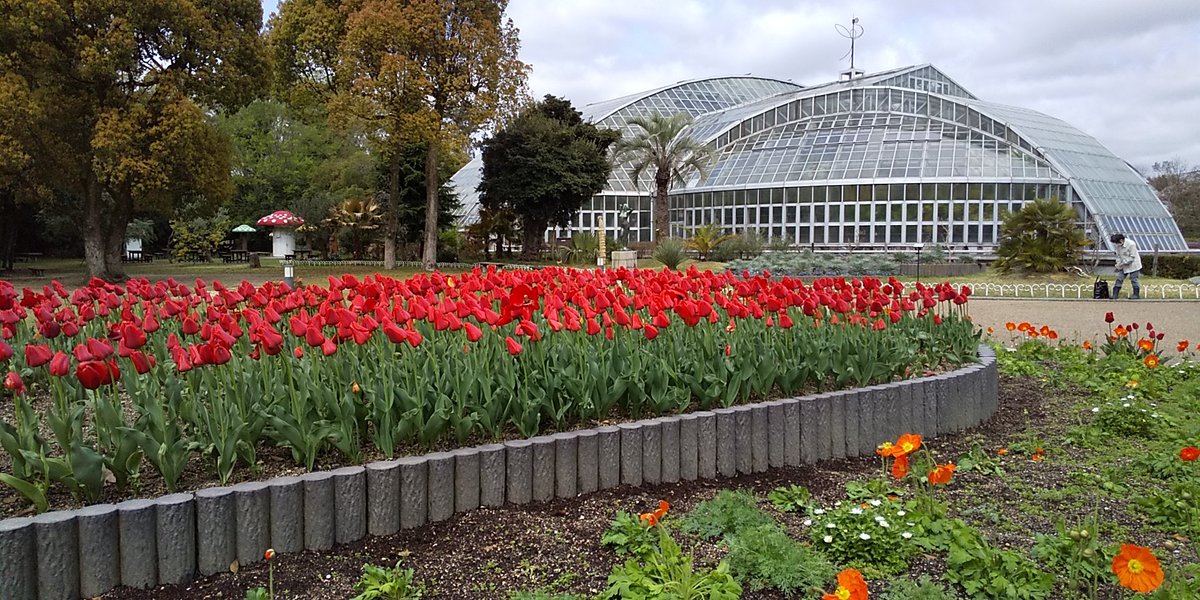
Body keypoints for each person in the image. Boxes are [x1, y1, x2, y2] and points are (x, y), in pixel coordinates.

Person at [1110, 233, 1142, 299]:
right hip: (1123, 265)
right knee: (1119, 279)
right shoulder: (1118, 246)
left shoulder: (1131, 244)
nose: (1116, 245)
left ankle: (1136, 295)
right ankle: (1115, 294)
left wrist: (1122, 263)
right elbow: (1118, 256)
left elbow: (1132, 257)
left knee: (1134, 279)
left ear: (1121, 240)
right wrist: (1118, 263)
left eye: (1117, 243)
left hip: (1133, 265)